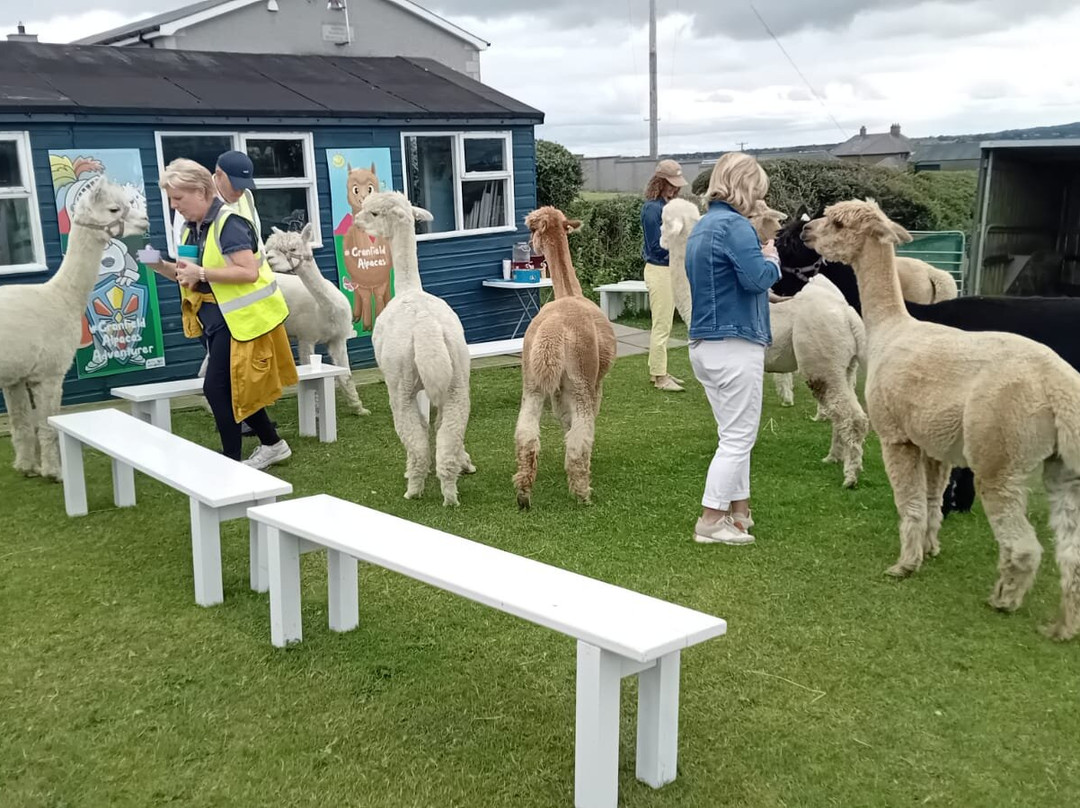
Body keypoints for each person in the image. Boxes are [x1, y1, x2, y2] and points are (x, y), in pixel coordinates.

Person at [151, 158, 297, 469]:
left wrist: (202, 273)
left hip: (245, 320)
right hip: (218, 319)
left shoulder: (229, 224)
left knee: (216, 388)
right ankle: (273, 444)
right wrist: (159, 265)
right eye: (171, 200)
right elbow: (188, 275)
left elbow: (246, 272)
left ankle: (232, 460)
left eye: (178, 199)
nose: (175, 207)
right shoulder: (194, 229)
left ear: (201, 190)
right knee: (231, 387)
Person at [684, 152, 781, 545]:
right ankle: (711, 521)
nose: (759, 199)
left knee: (732, 435)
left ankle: (739, 512)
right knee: (740, 438)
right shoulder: (737, 228)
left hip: (705, 343)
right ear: (745, 186)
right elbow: (758, 279)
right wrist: (771, 257)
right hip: (735, 343)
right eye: (757, 190)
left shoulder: (703, 226)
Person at [640, 159, 693, 392]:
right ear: (659, 182)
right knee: (661, 324)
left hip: (668, 270)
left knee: (665, 324)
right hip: (660, 270)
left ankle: (658, 370)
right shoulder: (653, 209)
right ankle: (660, 377)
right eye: (670, 184)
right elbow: (656, 246)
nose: (674, 189)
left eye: (676, 185)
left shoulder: (666, 206)